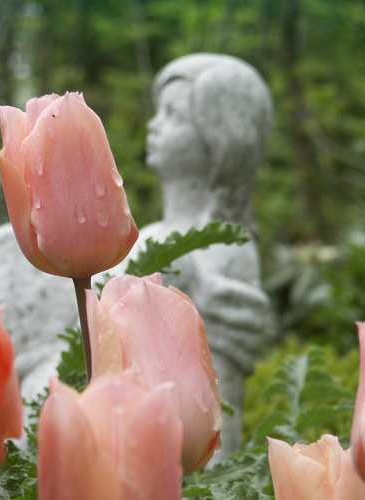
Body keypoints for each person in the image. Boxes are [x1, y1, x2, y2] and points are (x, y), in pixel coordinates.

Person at [114, 53, 274, 459]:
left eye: (173, 115)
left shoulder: (225, 245)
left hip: (197, 459)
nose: (153, 126)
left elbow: (219, 384)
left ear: (222, 138)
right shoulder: (146, 237)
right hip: (126, 435)